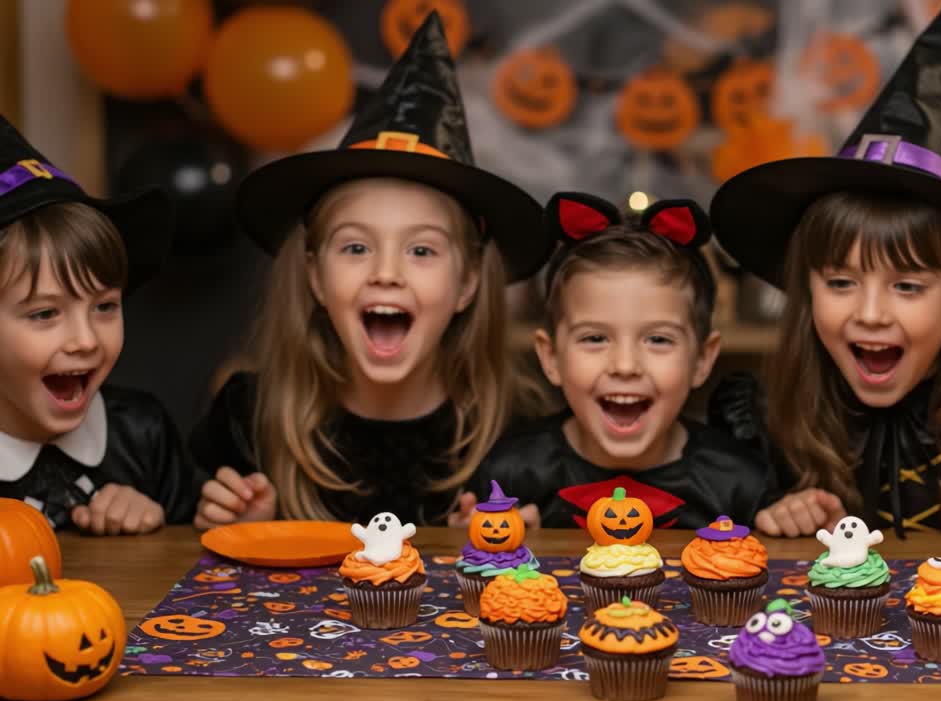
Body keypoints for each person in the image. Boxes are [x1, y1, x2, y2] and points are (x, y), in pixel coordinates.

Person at [709, 0, 941, 538]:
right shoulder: (762, 420)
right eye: (840, 282)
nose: (870, 314)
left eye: (907, 286)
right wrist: (773, 524)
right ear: (805, 288)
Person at [190, 13, 551, 527]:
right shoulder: (249, 421)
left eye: (421, 251)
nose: (386, 272)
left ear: (468, 282)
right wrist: (243, 533)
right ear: (315, 277)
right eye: (356, 248)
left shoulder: (521, 436)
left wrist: (509, 547)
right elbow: (177, 549)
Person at [454, 192, 773, 529]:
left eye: (658, 339)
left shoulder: (742, 483)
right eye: (595, 338)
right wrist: (478, 537)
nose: (624, 365)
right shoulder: (509, 474)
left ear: (701, 360)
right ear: (551, 357)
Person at [0, 113, 195, 533]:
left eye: (104, 307)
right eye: (45, 313)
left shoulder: (143, 433)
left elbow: (200, 567)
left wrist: (154, 523)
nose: (86, 340)